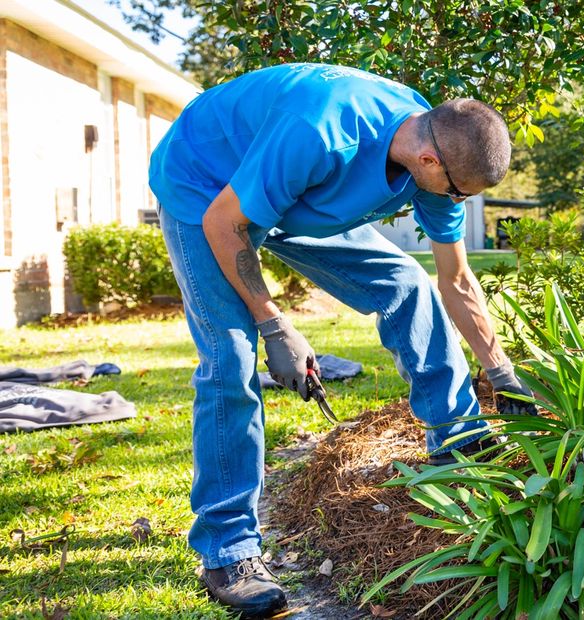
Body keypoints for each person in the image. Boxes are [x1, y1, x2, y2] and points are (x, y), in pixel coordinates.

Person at [148, 63, 533, 618]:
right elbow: (225, 223)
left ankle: (458, 439)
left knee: (407, 285)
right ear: (430, 161)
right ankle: (228, 550)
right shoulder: (322, 129)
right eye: (456, 191)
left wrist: (503, 374)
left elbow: (455, 278)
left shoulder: (432, 142)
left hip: (290, 197)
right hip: (207, 190)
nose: (455, 202)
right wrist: (274, 323)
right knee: (230, 359)